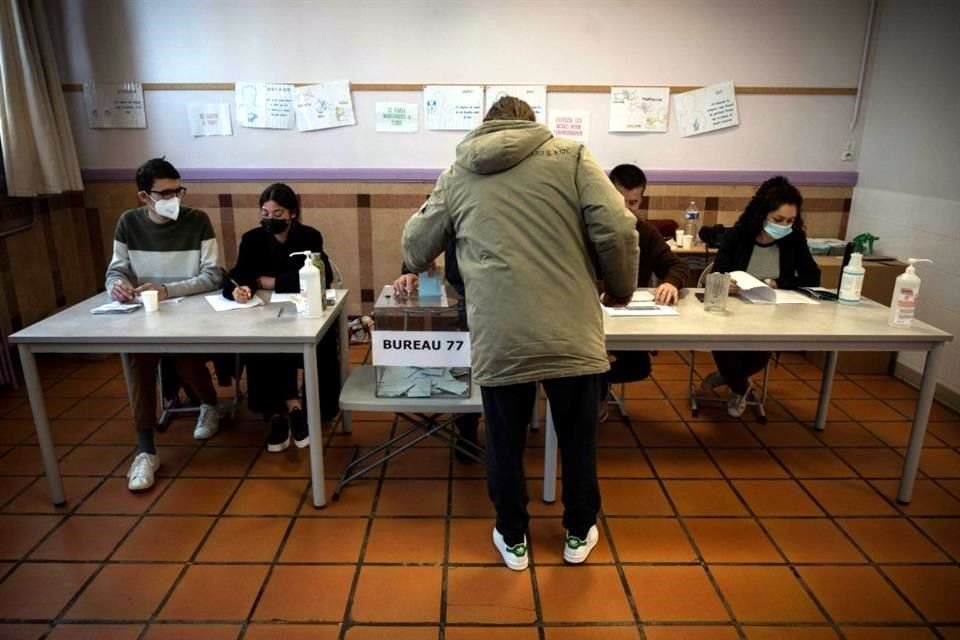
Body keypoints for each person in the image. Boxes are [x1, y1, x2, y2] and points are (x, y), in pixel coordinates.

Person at [402, 97, 639, 570]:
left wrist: (414, 262)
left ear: (486, 127)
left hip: (501, 330)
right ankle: (577, 532)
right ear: (532, 124)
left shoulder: (458, 173)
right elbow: (617, 228)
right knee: (578, 437)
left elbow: (415, 244)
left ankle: (513, 538)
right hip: (570, 327)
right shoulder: (572, 157)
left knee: (505, 440)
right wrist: (620, 288)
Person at [106, 157, 222, 491]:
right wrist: (116, 284)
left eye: (178, 191)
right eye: (165, 193)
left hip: (190, 311)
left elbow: (213, 275)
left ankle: (209, 405)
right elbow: (118, 268)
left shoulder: (197, 221)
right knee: (138, 361)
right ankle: (145, 450)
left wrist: (168, 290)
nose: (174, 199)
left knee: (186, 355)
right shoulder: (128, 223)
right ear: (144, 196)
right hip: (146, 313)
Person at [223, 183, 340, 451]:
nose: (270, 219)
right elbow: (239, 274)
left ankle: (311, 409)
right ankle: (283, 411)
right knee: (262, 338)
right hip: (265, 312)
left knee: (316, 337)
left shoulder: (309, 236)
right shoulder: (251, 239)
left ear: (293, 214)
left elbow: (317, 278)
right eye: (265, 213)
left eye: (278, 214)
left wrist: (264, 280)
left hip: (304, 311)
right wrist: (240, 290)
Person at [707, 175, 821, 416]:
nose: (784, 226)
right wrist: (727, 283)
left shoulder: (794, 239)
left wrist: (778, 282)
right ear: (762, 214)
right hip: (734, 309)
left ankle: (733, 382)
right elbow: (719, 271)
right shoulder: (738, 235)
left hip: (773, 311)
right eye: (778, 219)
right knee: (723, 345)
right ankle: (739, 384)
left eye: (790, 220)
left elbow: (812, 277)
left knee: (758, 352)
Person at [393, 240, 481, 463]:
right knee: (462, 362)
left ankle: (506, 432)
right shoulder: (451, 203)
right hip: (464, 288)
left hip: (504, 289)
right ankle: (467, 429)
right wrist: (412, 269)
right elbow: (428, 232)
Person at [605, 164, 690, 388]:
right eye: (619, 201)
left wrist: (671, 283)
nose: (626, 209)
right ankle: (594, 391)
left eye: (632, 202)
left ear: (641, 200)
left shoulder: (646, 232)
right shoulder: (588, 228)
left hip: (626, 319)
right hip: (590, 318)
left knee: (639, 367)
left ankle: (596, 386)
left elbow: (677, 266)